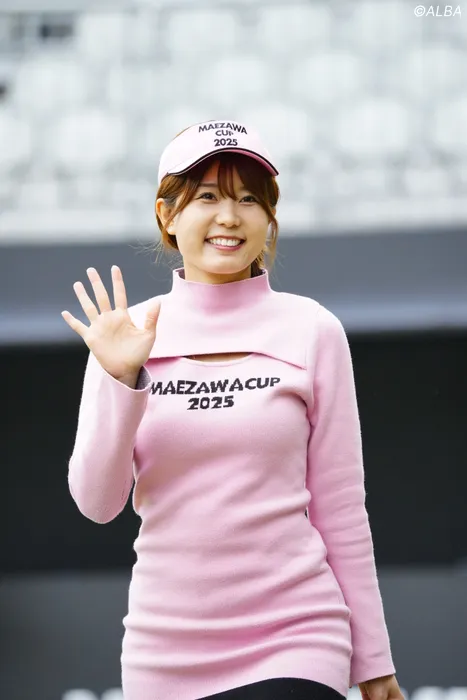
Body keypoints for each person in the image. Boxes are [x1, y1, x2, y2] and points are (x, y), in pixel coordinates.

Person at [62, 119, 404, 700]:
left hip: (297, 637)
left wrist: (373, 660)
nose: (230, 216)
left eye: (249, 199)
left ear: (270, 218)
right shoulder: (126, 334)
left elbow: (342, 509)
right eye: (208, 197)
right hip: (163, 653)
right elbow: (97, 504)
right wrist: (122, 378)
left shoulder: (312, 329)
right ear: (168, 215)